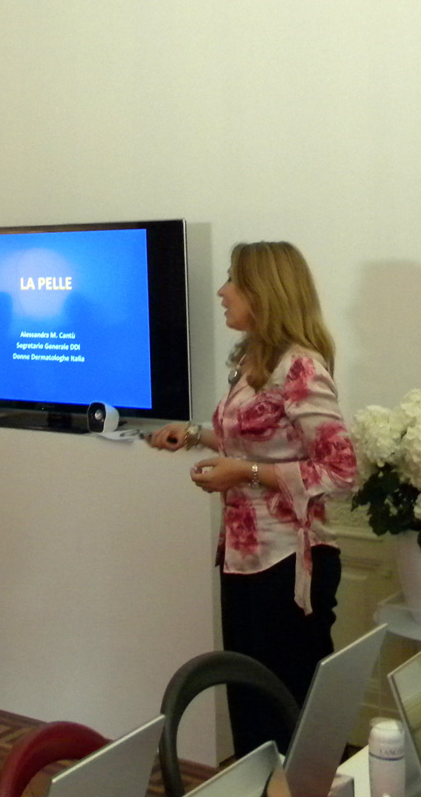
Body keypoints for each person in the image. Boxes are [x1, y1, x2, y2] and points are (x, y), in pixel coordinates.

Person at [147, 241, 357, 758]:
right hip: (245, 562)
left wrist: (245, 473)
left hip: (289, 568)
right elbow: (259, 439)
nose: (223, 292)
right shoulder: (258, 362)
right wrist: (193, 435)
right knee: (250, 706)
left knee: (285, 713)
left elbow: (341, 470)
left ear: (264, 291)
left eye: (233, 281)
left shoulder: (301, 367)